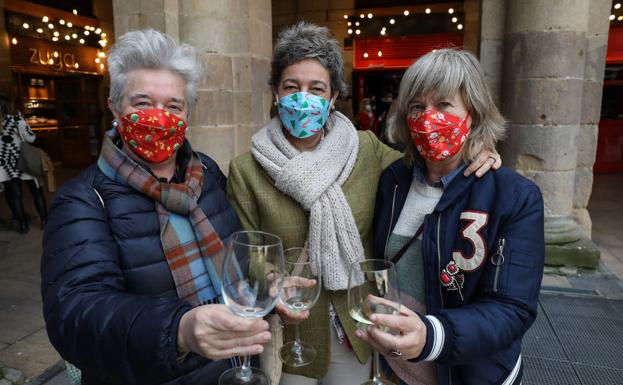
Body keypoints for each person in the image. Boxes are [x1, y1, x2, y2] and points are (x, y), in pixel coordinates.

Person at [226, 23, 502, 385]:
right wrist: (271, 283)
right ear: (276, 93)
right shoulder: (246, 169)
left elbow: (426, 164)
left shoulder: (366, 150)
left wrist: (476, 147)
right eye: (291, 87)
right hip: (290, 334)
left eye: (316, 89)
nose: (302, 98)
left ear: (332, 97)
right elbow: (248, 252)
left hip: (354, 327)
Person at [41, 29, 271, 385]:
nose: (158, 117)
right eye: (143, 103)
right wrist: (179, 329)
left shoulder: (206, 172)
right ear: (115, 107)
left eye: (173, 106)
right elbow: (75, 317)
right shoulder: (84, 199)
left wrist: (267, 285)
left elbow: (233, 259)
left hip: (230, 366)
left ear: (187, 113)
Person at [362, 48, 545, 385]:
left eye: (444, 105)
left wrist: (432, 337)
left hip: (467, 375)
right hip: (393, 369)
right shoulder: (393, 181)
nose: (428, 117)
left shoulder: (513, 197)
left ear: (473, 113)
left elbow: (512, 308)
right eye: (417, 106)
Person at [0, 95, 47, 233]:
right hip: (23, 159)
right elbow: (31, 138)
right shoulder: (16, 119)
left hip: (4, 163)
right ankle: (45, 221)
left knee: (14, 194)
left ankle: (23, 225)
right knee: (36, 191)